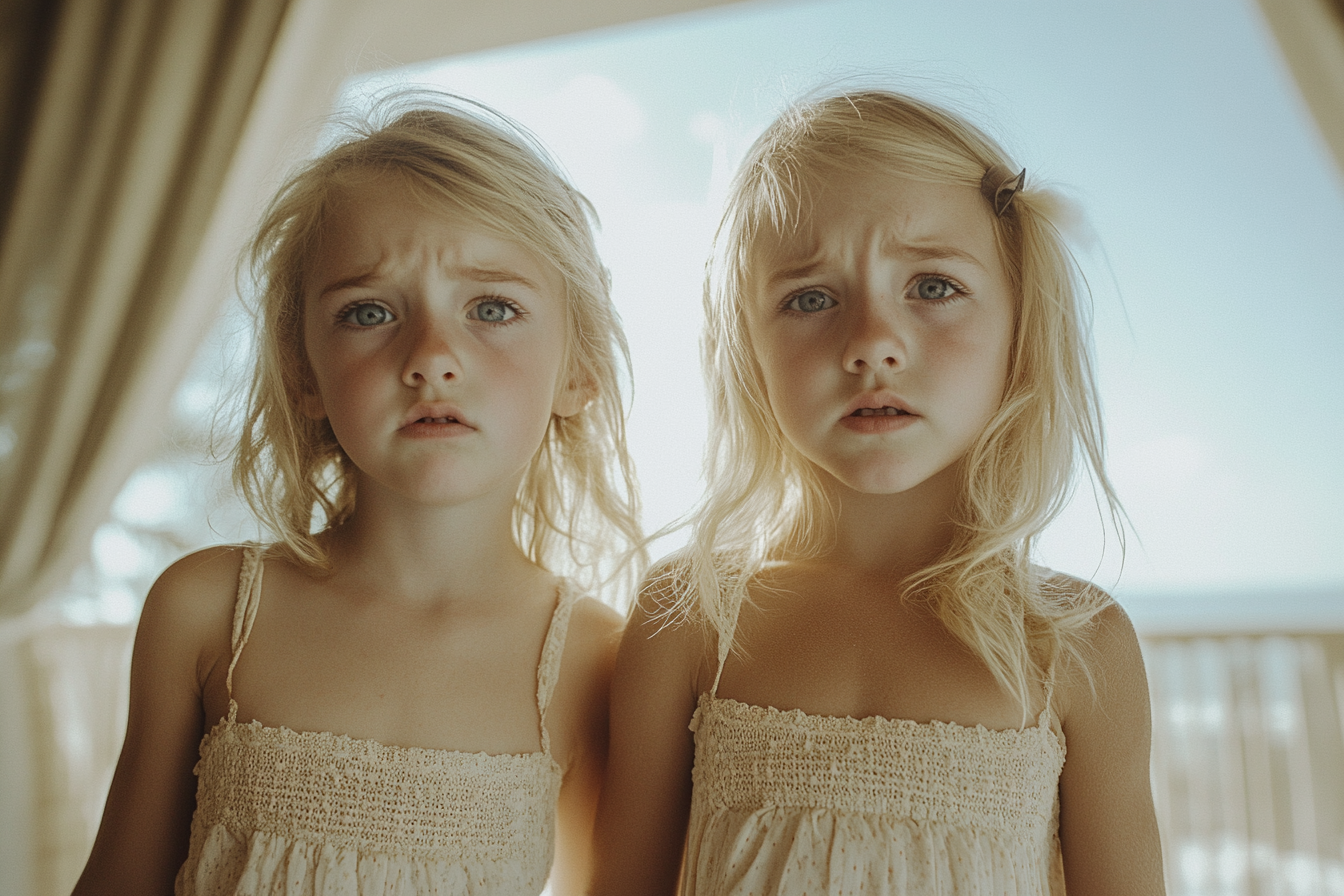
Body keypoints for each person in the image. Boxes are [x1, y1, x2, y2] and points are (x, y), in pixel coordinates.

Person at [591, 90, 1164, 895]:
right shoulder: (688, 621)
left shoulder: (1078, 647)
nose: (871, 344)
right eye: (810, 298)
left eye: (932, 287)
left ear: (1020, 325)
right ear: (748, 351)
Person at [72, 92, 643, 895]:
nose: (432, 356)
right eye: (370, 311)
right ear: (303, 371)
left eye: (492, 308)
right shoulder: (207, 611)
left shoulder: (596, 661)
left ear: (579, 370)